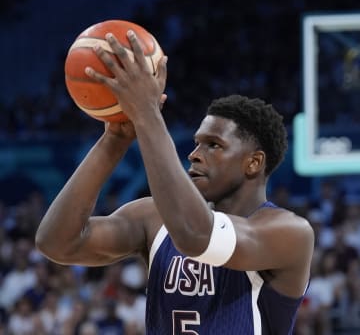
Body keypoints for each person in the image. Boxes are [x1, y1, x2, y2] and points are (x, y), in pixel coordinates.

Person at [35, 30, 314, 334]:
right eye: (196, 143)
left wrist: (147, 115)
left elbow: (197, 235)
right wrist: (115, 138)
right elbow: (57, 242)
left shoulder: (289, 233)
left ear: (253, 162)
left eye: (214, 145)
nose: (194, 155)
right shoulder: (153, 218)